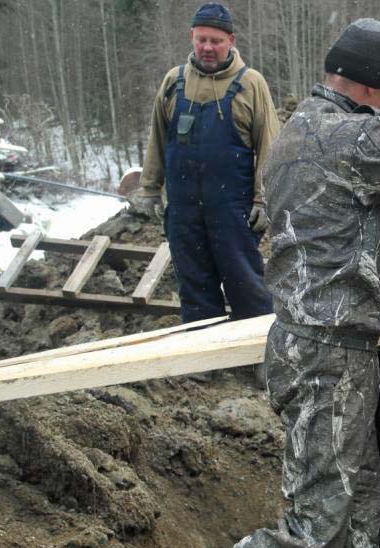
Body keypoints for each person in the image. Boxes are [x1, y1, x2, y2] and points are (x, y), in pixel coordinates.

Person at [116, 16, 380, 548]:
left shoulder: (303, 130)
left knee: (361, 503)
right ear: (368, 86)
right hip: (328, 358)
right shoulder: (357, 137)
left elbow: (334, 223)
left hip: (316, 346)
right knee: (313, 534)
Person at [129, 2, 278, 323]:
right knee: (195, 291)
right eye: (202, 40)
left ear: (231, 41)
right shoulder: (174, 81)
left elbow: (270, 147)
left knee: (247, 287)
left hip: (232, 212)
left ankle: (255, 347)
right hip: (183, 212)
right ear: (192, 38)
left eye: (216, 41)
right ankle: (203, 350)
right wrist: (149, 189)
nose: (208, 47)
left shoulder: (251, 84)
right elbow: (157, 139)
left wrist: (263, 200)